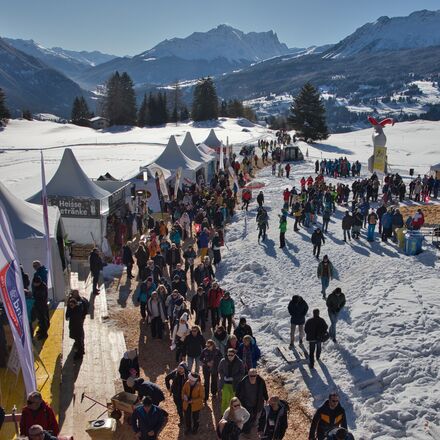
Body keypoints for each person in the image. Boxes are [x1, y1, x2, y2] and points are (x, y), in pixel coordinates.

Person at [236, 369, 268, 434]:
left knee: (255, 419)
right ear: (248, 375)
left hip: (257, 403)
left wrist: (266, 398)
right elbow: (238, 393)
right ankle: (246, 432)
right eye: (251, 376)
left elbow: (264, 390)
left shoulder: (261, 381)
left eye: (254, 376)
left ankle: (252, 431)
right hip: (246, 404)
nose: (252, 377)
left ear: (256, 375)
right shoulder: (243, 382)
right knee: (247, 418)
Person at [218, 348, 245, 412]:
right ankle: (224, 414)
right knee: (224, 400)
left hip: (235, 384)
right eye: (228, 355)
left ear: (235, 355)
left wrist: (234, 378)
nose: (229, 356)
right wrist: (223, 376)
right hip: (225, 384)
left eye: (231, 355)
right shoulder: (223, 361)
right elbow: (219, 370)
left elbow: (242, 373)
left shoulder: (239, 362)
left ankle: (233, 414)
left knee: (233, 401)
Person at [65, 293, 88, 359]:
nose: (70, 306)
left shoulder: (78, 310)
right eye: (70, 305)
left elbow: (76, 316)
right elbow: (68, 312)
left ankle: (80, 354)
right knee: (78, 340)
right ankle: (79, 351)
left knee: (79, 341)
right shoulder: (74, 307)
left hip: (77, 328)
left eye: (71, 305)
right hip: (74, 327)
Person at [32, 276, 50, 340]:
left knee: (43, 320)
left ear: (38, 283)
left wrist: (34, 297)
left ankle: (44, 333)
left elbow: (40, 297)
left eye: (35, 283)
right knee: (41, 319)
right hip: (39, 306)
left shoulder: (42, 288)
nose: (34, 284)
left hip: (42, 306)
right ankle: (41, 330)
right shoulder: (39, 286)